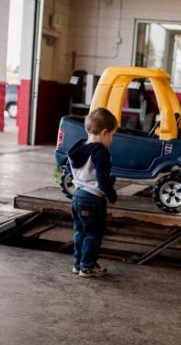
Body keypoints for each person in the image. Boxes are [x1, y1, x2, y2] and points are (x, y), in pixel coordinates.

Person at [66, 107, 118, 278]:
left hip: (77, 195)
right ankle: (88, 266)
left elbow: (68, 169)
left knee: (80, 232)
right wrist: (111, 195)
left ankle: (78, 263)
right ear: (104, 132)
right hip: (92, 199)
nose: (112, 139)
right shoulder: (101, 153)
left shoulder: (78, 148)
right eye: (112, 135)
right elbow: (103, 180)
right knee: (93, 234)